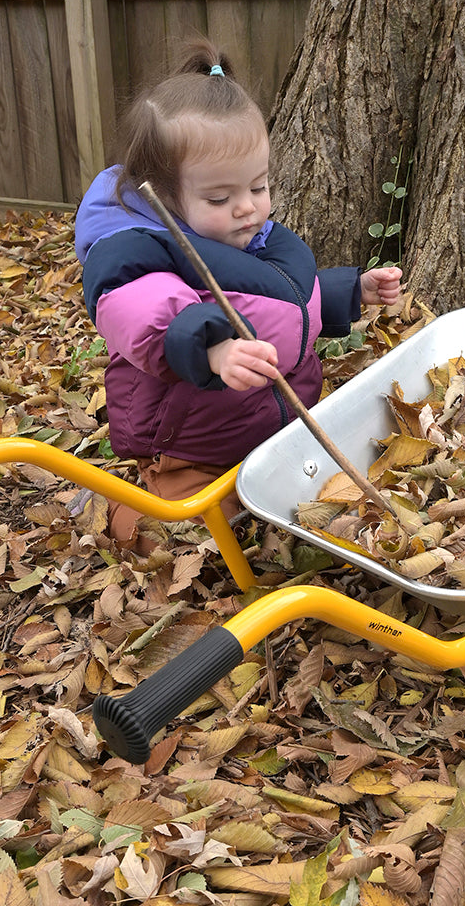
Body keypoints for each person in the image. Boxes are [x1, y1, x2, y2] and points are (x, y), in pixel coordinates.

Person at [74, 39, 402, 551]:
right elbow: (146, 314)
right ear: (161, 196)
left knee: (298, 506)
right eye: (220, 198)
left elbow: (282, 301)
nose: (247, 208)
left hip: (273, 430)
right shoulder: (137, 251)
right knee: (177, 537)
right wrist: (211, 348)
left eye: (259, 186)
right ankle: (112, 506)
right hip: (193, 447)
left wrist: (348, 292)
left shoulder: (250, 236)